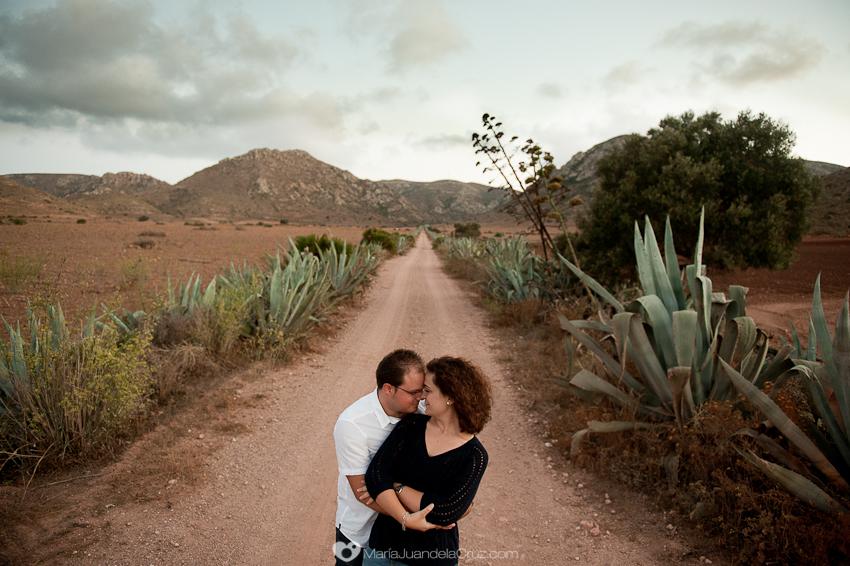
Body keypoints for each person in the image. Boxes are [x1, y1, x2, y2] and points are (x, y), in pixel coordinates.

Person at [362, 356, 492, 566]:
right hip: (383, 550)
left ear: (450, 396)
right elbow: (375, 475)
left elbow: (446, 512)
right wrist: (407, 517)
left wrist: (397, 486)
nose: (422, 397)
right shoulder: (411, 425)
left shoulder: (475, 456)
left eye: (428, 390)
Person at [334, 349, 447, 566]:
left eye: (423, 390)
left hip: (399, 538)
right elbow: (362, 492)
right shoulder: (352, 424)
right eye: (413, 392)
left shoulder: (423, 412)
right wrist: (410, 518)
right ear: (388, 389)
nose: (421, 397)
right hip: (357, 531)